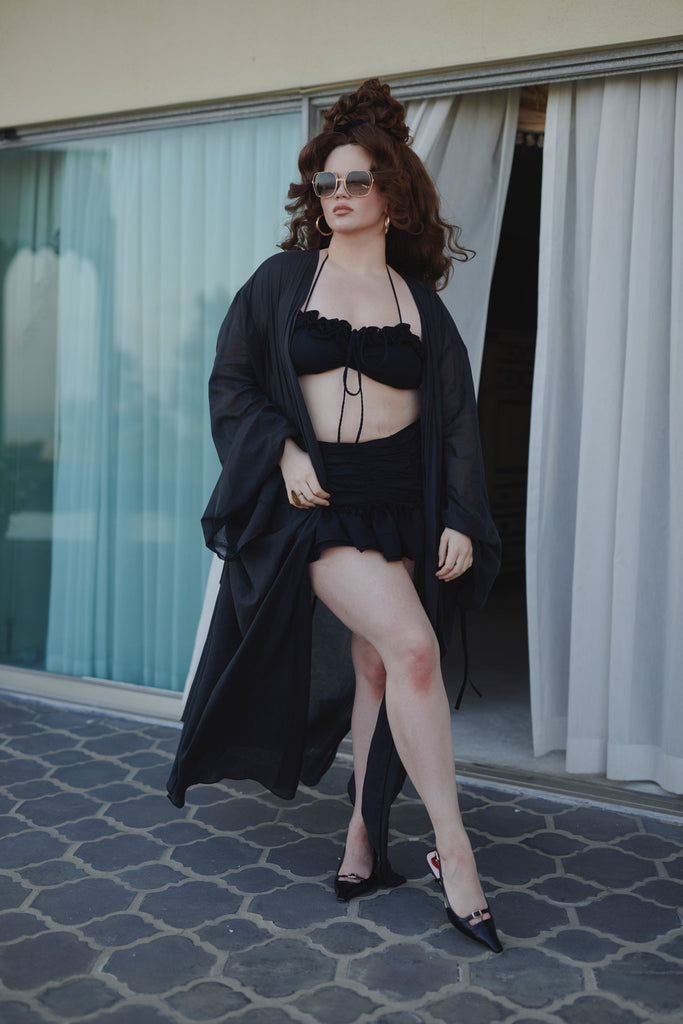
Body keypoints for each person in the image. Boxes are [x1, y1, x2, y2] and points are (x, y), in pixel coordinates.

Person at [167, 79, 502, 954]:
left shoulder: (418, 304)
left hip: (399, 502)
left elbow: (455, 421)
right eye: (326, 182)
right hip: (313, 505)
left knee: (378, 668)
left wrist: (459, 514)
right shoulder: (282, 281)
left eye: (356, 181)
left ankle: (362, 838)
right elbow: (233, 382)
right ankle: (455, 854)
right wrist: (282, 451)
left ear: (391, 194)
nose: (338, 194)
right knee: (414, 648)